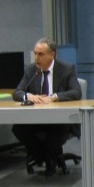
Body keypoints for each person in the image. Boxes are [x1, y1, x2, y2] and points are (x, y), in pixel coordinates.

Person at [11, 38, 82, 176]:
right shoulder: (31, 70)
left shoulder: (66, 69)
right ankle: (44, 158)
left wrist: (54, 97)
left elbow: (76, 93)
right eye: (35, 53)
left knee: (54, 133)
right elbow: (17, 93)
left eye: (41, 54)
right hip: (37, 118)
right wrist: (29, 96)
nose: (36, 58)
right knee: (18, 128)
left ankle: (48, 159)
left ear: (52, 55)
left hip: (61, 119)